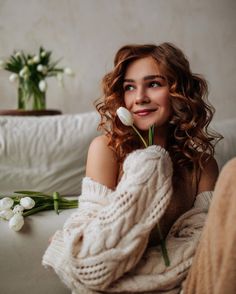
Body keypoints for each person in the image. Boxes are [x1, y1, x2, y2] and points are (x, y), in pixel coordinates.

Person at [43, 43, 235, 294]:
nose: (139, 97)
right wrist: (149, 166)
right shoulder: (106, 150)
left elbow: (202, 256)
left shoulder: (202, 165)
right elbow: (92, 261)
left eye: (154, 84)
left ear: (180, 92)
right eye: (129, 87)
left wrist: (67, 252)